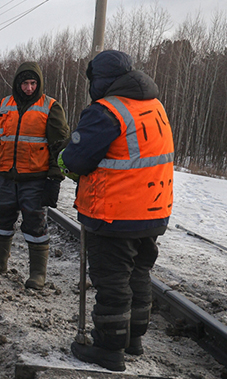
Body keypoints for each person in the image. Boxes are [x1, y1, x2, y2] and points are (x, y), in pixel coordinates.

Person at [59, 50, 174, 372]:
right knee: (139, 275)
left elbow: (77, 161)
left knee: (112, 284)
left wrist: (63, 161)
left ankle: (109, 350)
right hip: (152, 211)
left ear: (101, 80)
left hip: (114, 212)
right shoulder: (154, 106)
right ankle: (133, 340)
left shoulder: (106, 111)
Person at [0, 61, 69, 289]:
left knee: (35, 225)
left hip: (35, 179)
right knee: (1, 219)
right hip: (5, 176)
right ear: (17, 83)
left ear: (39, 84)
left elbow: (59, 146)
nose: (29, 88)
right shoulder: (2, 106)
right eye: (25, 83)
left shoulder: (50, 107)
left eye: (33, 83)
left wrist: (54, 179)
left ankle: (38, 274)